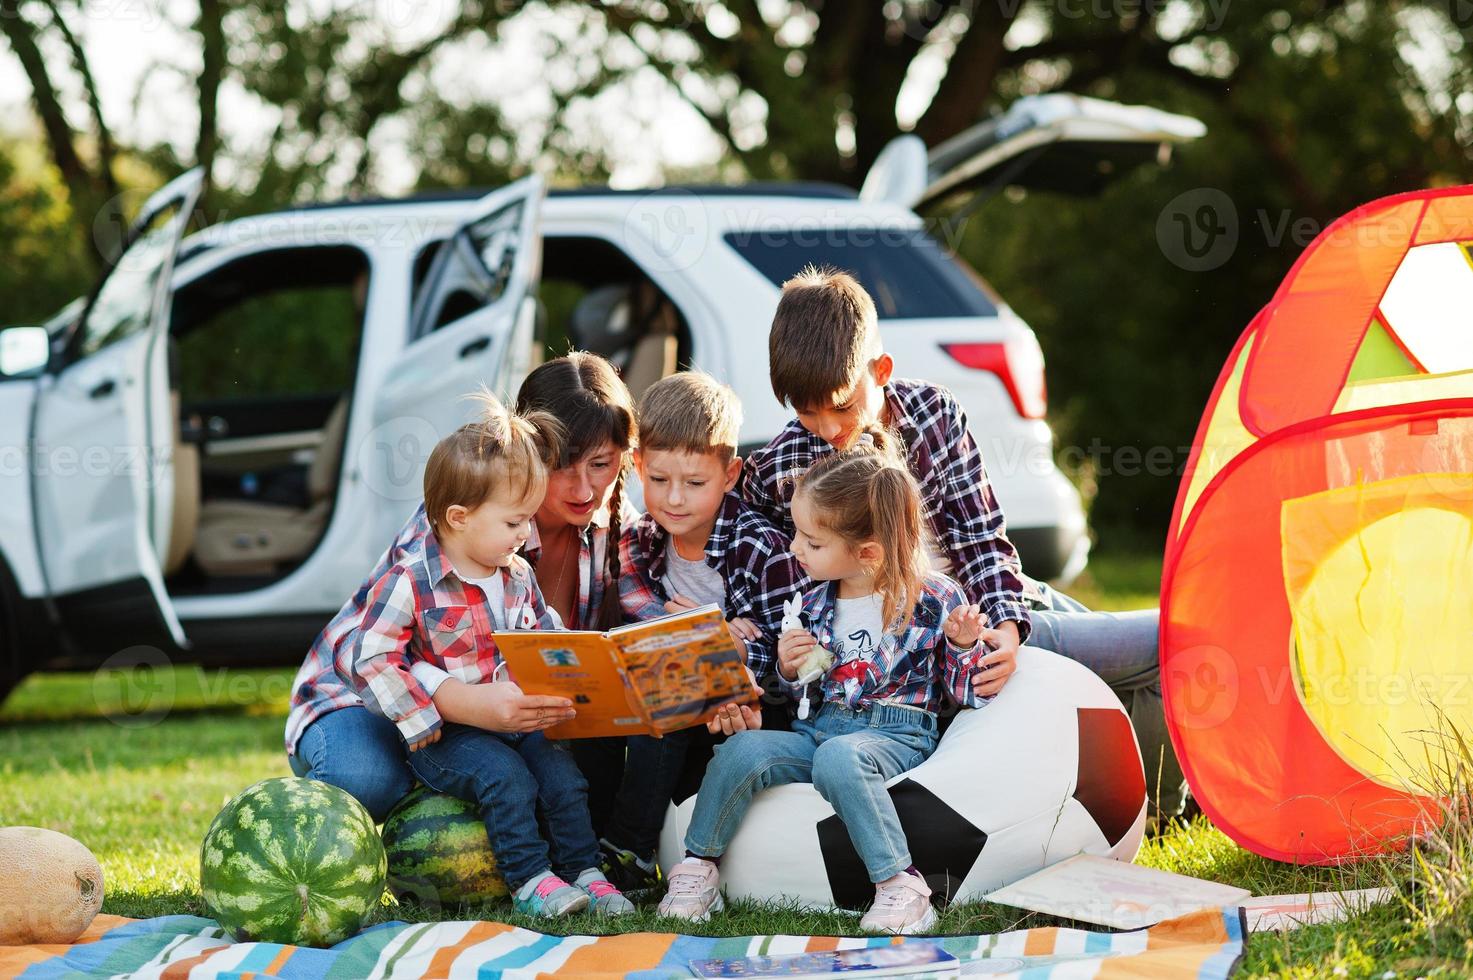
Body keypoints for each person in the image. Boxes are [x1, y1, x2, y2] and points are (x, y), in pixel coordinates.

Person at [739, 266, 1185, 819]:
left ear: (881, 371)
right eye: (807, 412)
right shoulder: (780, 468)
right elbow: (781, 595)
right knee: (1152, 648)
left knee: (1174, 643)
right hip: (928, 653)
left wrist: (1006, 623)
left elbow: (980, 539)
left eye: (841, 406)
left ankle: (1165, 805)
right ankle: (1155, 810)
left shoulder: (933, 413)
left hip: (991, 607)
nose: (828, 428)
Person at [280, 353, 636, 827]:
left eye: (600, 464)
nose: (584, 487)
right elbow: (360, 653)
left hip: (490, 723)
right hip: (364, 698)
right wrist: (462, 703)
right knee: (369, 778)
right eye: (563, 466)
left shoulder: (616, 529)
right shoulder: (461, 523)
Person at [658, 428, 991, 933]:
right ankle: (699, 867)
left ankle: (902, 884)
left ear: (869, 554)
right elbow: (803, 694)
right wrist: (792, 670)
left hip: (895, 732)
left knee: (841, 758)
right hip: (820, 730)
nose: (795, 549)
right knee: (742, 751)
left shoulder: (932, 599)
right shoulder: (814, 602)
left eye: (812, 542)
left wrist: (965, 646)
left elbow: (963, 693)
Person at [345, 397, 634, 918]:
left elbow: (545, 637)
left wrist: (584, 670)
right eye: (514, 522)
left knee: (562, 777)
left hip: (514, 721)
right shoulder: (411, 581)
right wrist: (417, 715)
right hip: (446, 736)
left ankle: (586, 870)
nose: (526, 534)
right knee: (506, 779)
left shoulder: (516, 575)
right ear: (458, 518)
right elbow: (369, 654)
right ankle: (530, 881)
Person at [610, 373, 808, 875]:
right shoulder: (643, 542)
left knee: (678, 701)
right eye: (658, 480)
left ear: (731, 474)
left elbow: (799, 651)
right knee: (661, 707)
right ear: (637, 466)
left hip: (764, 710)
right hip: (687, 706)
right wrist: (701, 636)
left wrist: (729, 646)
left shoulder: (760, 547)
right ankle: (628, 851)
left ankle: (637, 846)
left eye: (694, 483)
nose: (674, 499)